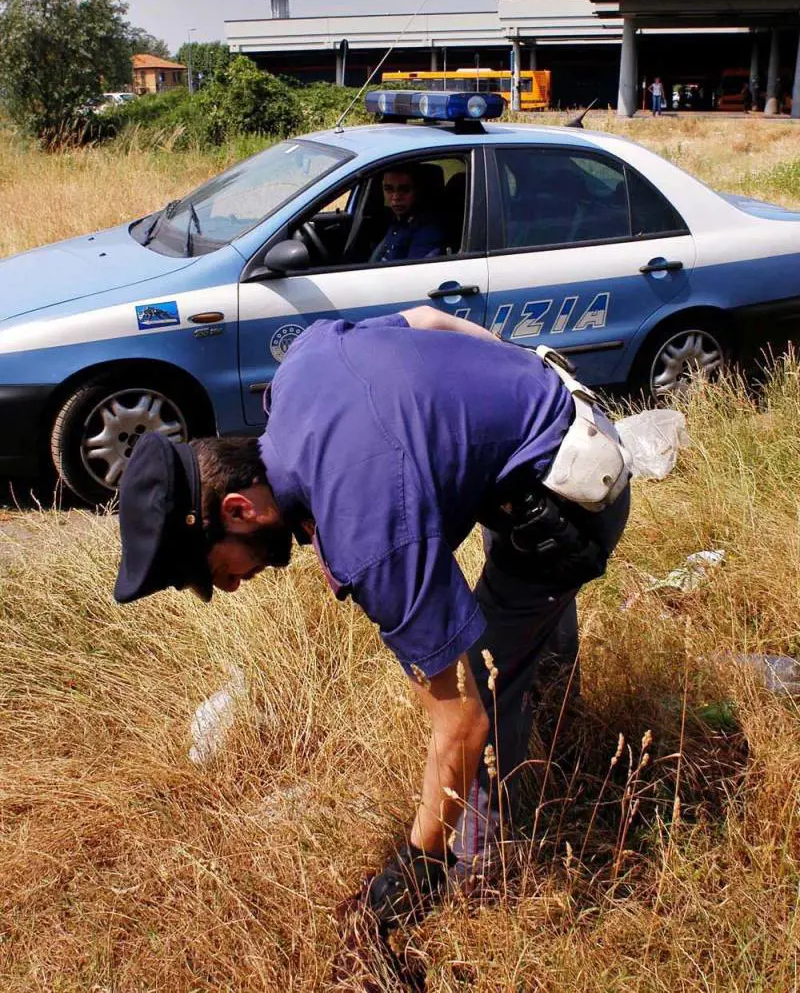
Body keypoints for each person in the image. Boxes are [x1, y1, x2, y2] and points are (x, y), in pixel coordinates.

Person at [113, 308, 630, 929]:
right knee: (518, 630)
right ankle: (550, 681)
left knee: (491, 678)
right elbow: (434, 319)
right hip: (552, 413)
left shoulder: (366, 533)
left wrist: (418, 864)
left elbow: (461, 720)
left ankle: (483, 868)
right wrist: (517, 378)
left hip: (574, 491)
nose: (223, 588)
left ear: (238, 508)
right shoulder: (303, 365)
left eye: (210, 572)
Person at [370, 165, 446, 262]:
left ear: (417, 191)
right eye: (389, 189)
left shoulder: (427, 231)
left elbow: (413, 273)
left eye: (404, 190)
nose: (395, 197)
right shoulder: (398, 219)